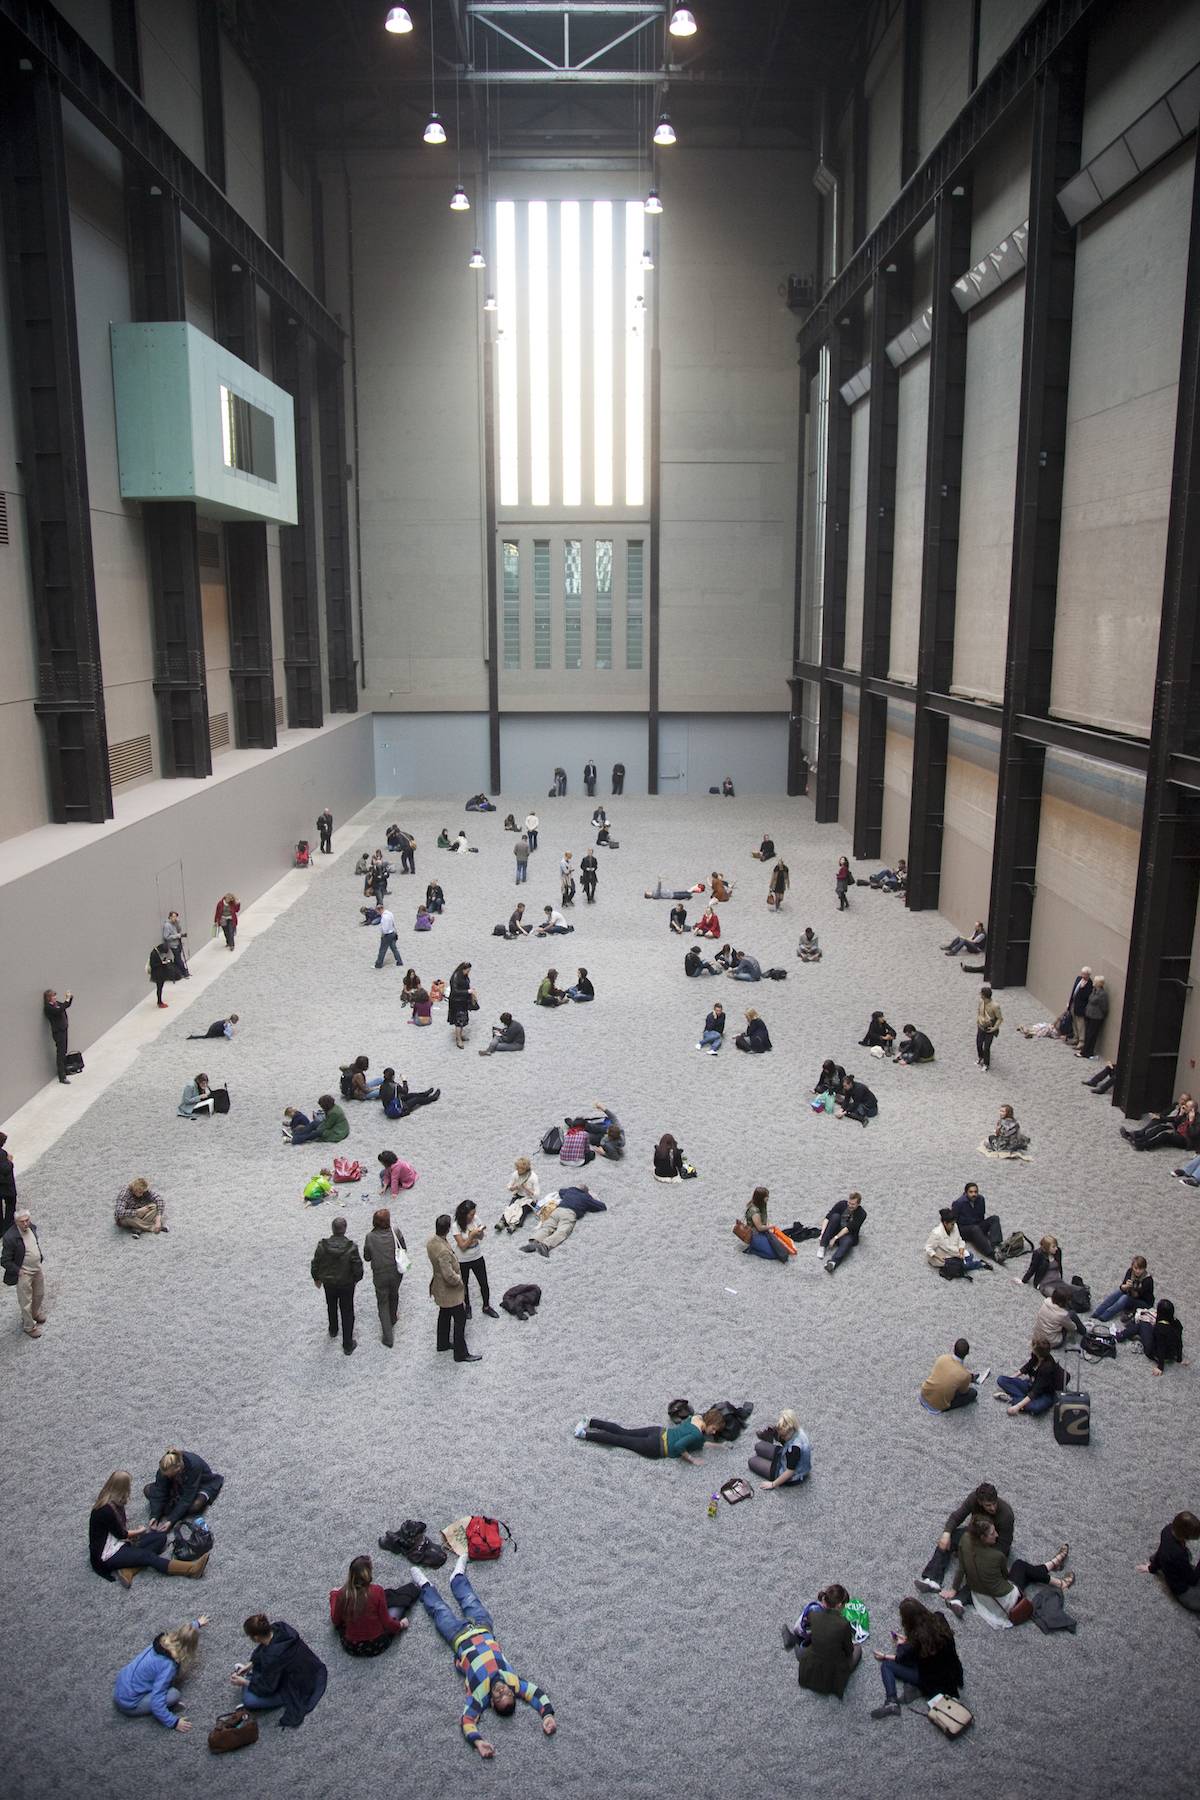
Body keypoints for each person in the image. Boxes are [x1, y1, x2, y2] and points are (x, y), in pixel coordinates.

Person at [408, 1556, 555, 1757]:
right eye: (508, 1694)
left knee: (439, 1611)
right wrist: (547, 1715)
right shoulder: (514, 1683)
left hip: (458, 1637)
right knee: (470, 1600)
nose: (502, 1690)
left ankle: (424, 1585)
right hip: (483, 1628)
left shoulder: (479, 1696)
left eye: (499, 1696)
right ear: (513, 1693)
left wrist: (477, 1741)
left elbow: (467, 1721)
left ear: (492, 1703)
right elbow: (537, 1694)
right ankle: (457, 1576)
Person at [953, 1515, 1072, 1624]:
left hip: (980, 1598)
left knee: (1025, 1572)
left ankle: (1052, 1564)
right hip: (1006, 1602)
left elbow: (961, 1568)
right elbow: (1005, 1578)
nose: (997, 1535)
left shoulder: (964, 1540)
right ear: (982, 1537)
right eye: (992, 1533)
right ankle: (1059, 1582)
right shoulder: (996, 1556)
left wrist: (954, 1588)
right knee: (1020, 1566)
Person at [90, 1471, 198, 1584]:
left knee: (161, 1538)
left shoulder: (111, 1500)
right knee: (147, 1556)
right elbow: (122, 1534)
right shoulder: (106, 1510)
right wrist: (140, 1531)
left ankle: (129, 1569)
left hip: (119, 1543)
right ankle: (191, 1569)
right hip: (107, 1555)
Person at [915, 1480, 1013, 1597]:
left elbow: (1004, 1545)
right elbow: (957, 1517)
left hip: (994, 1544)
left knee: (982, 1570)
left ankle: (961, 1598)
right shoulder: (973, 1499)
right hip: (976, 1534)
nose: (993, 1508)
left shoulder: (1006, 1515)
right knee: (949, 1539)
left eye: (994, 1503)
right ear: (980, 1502)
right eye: (988, 1505)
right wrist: (946, 1533)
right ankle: (932, 1578)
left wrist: (980, 1555)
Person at [870, 1599, 963, 1720]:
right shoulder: (939, 1617)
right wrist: (908, 1641)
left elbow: (900, 1658)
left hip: (932, 1680)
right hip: (953, 1672)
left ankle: (891, 1701)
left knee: (887, 1666)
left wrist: (888, 1653)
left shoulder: (916, 1643)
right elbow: (928, 1640)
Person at [232, 1614, 327, 1727]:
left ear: (256, 1638)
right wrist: (250, 1665)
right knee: (260, 1671)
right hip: (310, 1668)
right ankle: (251, 1676)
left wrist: (244, 1682)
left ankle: (249, 1678)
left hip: (295, 1685)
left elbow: (267, 1688)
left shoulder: (272, 1658)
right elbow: (264, 1649)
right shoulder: (280, 1627)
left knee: (249, 1700)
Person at [114, 1618, 206, 1729]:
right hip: (129, 1703)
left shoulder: (160, 1643)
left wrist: (195, 1624)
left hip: (121, 1685)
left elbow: (182, 1635)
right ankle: (166, 1709)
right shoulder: (168, 1666)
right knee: (174, 1694)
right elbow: (156, 1702)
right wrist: (174, 1722)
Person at [575, 1406, 726, 1462]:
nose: (713, 1433)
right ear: (710, 1421)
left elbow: (698, 1440)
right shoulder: (698, 1435)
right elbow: (680, 1446)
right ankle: (584, 1435)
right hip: (656, 1447)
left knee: (624, 1432)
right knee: (619, 1440)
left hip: (658, 1431)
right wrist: (692, 1459)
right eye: (714, 1429)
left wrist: (719, 1446)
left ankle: (590, 1421)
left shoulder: (696, 1417)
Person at [330, 1555, 412, 1654]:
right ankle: (416, 1587)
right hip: (377, 1644)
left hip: (351, 1646)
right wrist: (401, 1625)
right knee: (394, 1606)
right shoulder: (377, 1591)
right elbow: (387, 1623)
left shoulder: (342, 1594)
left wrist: (334, 1596)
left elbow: (335, 1620)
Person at [428, 1214, 479, 1362]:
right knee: (460, 1319)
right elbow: (448, 1275)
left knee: (444, 1314)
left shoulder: (432, 1242)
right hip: (449, 1291)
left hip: (439, 1286)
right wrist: (459, 1281)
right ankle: (460, 1353)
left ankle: (442, 1343)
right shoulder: (443, 1250)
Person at [794, 1586, 861, 1698]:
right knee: (858, 1649)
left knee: (806, 1647)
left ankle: (795, 1644)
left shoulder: (813, 1613)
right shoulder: (844, 1624)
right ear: (839, 1605)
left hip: (811, 1664)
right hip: (831, 1672)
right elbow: (849, 1651)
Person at [311, 1215, 363, 1355]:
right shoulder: (351, 1247)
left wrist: (316, 1278)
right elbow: (358, 1267)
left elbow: (315, 1263)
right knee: (347, 1312)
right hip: (346, 1284)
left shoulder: (322, 1246)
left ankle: (333, 1329)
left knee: (331, 1306)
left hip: (329, 1283)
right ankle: (347, 1344)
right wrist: (356, 1279)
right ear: (344, 1229)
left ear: (332, 1229)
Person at [143, 1448, 224, 1527]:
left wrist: (171, 1520)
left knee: (196, 1505)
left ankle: (174, 1508)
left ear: (179, 1468)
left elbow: (187, 1498)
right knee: (147, 1489)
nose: (168, 1476)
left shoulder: (194, 1465)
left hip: (198, 1485)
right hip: (177, 1486)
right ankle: (177, 1508)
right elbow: (160, 1489)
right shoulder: (165, 1466)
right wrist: (154, 1516)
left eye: (171, 1475)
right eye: (167, 1476)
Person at [363, 1207, 407, 1348]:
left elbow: (367, 1257)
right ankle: (393, 1317)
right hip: (395, 1271)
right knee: (394, 1294)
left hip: (380, 1274)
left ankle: (388, 1337)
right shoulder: (396, 1230)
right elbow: (404, 1248)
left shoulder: (370, 1237)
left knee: (382, 1303)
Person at [1139, 1513, 1200, 1612]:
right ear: (1186, 1536)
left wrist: (1151, 1567)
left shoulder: (1167, 1529)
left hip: (1173, 1563)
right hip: (1182, 1589)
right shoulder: (1179, 1555)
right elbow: (1192, 1580)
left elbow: (1160, 1551)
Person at [2, 1208, 46, 1337]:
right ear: (16, 1222)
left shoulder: (31, 1228)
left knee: (39, 1294)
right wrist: (18, 1271)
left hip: (36, 1268)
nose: (25, 1223)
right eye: (22, 1221)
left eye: (27, 1220)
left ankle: (35, 1313)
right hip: (24, 1273)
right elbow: (4, 1260)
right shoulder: (10, 1237)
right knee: (25, 1301)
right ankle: (29, 1326)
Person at [994, 1341, 1067, 1415]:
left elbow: (1036, 1391)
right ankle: (1023, 1400)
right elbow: (1028, 1366)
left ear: (1038, 1353)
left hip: (1045, 1393)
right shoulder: (1037, 1356)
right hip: (1031, 1384)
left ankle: (1012, 1399)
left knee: (1036, 1408)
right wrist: (1010, 1379)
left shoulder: (1047, 1368)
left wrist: (1017, 1407)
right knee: (1001, 1379)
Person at [1116, 1296, 1184, 1373]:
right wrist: (1179, 1358)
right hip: (1171, 1354)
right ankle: (1130, 1331)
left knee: (1142, 1324)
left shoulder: (1160, 1328)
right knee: (1146, 1327)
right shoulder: (1177, 1323)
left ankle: (1120, 1336)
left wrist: (1160, 1367)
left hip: (1155, 1353)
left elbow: (1160, 1347)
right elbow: (1179, 1341)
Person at [454, 1200, 498, 1320]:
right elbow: (462, 1246)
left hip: (477, 1255)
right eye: (471, 1214)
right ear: (464, 1214)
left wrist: (480, 1232)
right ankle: (467, 1306)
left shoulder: (476, 1219)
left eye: (474, 1213)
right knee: (465, 1284)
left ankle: (486, 1306)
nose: (473, 1216)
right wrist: (472, 1235)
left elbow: (481, 1238)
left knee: (484, 1282)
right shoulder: (456, 1226)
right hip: (463, 1259)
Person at [1120, 1093, 1200, 1152]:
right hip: (1177, 1132)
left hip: (1186, 1140)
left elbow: (1193, 1134)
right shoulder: (1184, 1113)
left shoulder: (1197, 1118)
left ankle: (1143, 1146)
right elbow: (1176, 1123)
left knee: (1164, 1136)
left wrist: (1191, 1121)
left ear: (1193, 1109)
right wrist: (1180, 1115)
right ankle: (1139, 1140)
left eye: (1187, 1106)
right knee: (1158, 1128)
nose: (1184, 1107)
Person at [752, 1410, 811, 1489]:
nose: (781, 1437)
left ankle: (774, 1471)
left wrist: (773, 1484)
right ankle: (772, 1435)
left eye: (783, 1436)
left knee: (752, 1461)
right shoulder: (797, 1430)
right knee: (758, 1446)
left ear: (790, 1431)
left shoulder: (794, 1449)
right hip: (784, 1454)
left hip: (790, 1474)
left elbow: (790, 1471)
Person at [920, 1339, 984, 1411]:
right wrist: (966, 1380)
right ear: (967, 1353)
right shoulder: (965, 1375)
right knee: (973, 1393)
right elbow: (963, 1392)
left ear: (953, 1348)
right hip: (938, 1405)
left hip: (924, 1393)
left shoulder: (942, 1358)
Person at [1091, 1255, 1154, 1323]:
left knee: (1124, 1298)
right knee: (1117, 1293)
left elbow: (1136, 1295)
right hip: (1131, 1294)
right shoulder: (1130, 1271)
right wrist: (1126, 1286)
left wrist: (1131, 1287)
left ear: (1144, 1269)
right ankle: (1097, 1312)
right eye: (1136, 1268)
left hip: (1144, 1302)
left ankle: (1105, 1316)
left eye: (1140, 1269)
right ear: (1132, 1267)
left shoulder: (1148, 1280)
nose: (1137, 1271)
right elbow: (1122, 1287)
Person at [951, 1182, 1002, 1262]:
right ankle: (991, 1254)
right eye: (971, 1192)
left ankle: (996, 1245)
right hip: (964, 1229)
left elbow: (982, 1215)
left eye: (975, 1192)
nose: (973, 1194)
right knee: (975, 1229)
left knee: (994, 1218)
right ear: (966, 1193)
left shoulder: (981, 1199)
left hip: (977, 1225)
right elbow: (953, 1220)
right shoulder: (959, 1203)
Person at [925, 1209, 986, 1275]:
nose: (954, 1226)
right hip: (942, 1257)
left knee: (970, 1255)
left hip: (954, 1252)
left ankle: (967, 1263)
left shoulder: (955, 1226)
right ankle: (980, 1264)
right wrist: (937, 1256)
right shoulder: (936, 1233)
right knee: (964, 1265)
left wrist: (961, 1250)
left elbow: (959, 1239)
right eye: (952, 1224)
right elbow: (928, 1248)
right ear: (945, 1223)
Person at [819, 1192, 867, 1273]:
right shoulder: (841, 1204)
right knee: (835, 1216)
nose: (850, 1205)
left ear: (858, 1204)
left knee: (847, 1242)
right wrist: (822, 1234)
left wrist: (835, 1238)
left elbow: (848, 1228)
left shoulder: (862, 1214)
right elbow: (827, 1218)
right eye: (849, 1202)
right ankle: (822, 1246)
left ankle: (832, 1262)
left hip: (848, 1234)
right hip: (836, 1229)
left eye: (853, 1204)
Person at [1031, 1284, 1084, 1352]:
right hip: (1052, 1342)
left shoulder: (1046, 1302)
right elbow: (1072, 1327)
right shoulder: (1062, 1315)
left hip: (1038, 1337)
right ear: (1064, 1302)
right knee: (1072, 1315)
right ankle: (1081, 1334)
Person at [497, 1158, 540, 1233]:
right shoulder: (515, 1174)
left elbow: (537, 1194)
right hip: (518, 1195)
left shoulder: (533, 1177)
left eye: (519, 1169)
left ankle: (514, 1225)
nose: (517, 1170)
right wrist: (515, 1187)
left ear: (524, 1169)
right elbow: (509, 1186)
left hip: (529, 1198)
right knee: (510, 1208)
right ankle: (502, 1222)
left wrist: (526, 1188)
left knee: (522, 1210)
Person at [43, 988, 72, 1082]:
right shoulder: (48, 1007)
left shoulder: (57, 1004)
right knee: (60, 1053)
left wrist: (70, 998)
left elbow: (65, 1006)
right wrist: (67, 1000)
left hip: (63, 1030)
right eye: (53, 996)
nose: (55, 998)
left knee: (64, 1052)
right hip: (58, 1032)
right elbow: (58, 1011)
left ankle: (65, 1070)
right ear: (48, 998)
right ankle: (62, 1077)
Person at [1079, 975, 1109, 1058]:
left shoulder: (1102, 994)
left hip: (1096, 1017)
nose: (1094, 983)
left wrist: (1100, 1014)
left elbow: (1104, 1007)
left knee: (1092, 1035)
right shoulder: (1094, 991)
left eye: (1095, 982)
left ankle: (1088, 1052)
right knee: (1088, 1034)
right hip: (1089, 1015)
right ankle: (1085, 1051)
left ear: (1099, 983)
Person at [449, 962, 475, 1049]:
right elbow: (455, 991)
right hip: (457, 1002)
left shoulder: (463, 976)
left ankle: (460, 1035)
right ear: (463, 969)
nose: (468, 972)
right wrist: (467, 992)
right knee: (459, 1021)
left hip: (463, 1001)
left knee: (462, 1020)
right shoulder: (455, 977)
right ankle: (458, 1039)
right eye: (467, 970)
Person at [975, 985, 1002, 1069]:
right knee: (979, 1044)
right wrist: (979, 1020)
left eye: (981, 994)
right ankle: (981, 1057)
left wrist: (995, 1028)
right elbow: (979, 1012)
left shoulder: (995, 1006)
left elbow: (999, 1018)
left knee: (986, 1047)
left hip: (989, 1028)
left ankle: (986, 1064)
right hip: (981, 1026)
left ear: (984, 995)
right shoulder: (981, 1002)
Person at [1068, 966, 1094, 1050]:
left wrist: (1082, 988)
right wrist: (1070, 1002)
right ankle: (1076, 1037)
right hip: (1074, 1003)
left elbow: (1086, 997)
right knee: (1074, 1021)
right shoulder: (1078, 979)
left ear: (1088, 975)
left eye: (1085, 974)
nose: (1083, 975)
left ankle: (1081, 1041)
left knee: (1080, 1024)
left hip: (1081, 1007)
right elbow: (1073, 991)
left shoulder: (1089, 984)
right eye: (1082, 973)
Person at [161, 911, 189, 978]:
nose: (175, 918)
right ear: (170, 917)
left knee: (177, 959)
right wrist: (177, 936)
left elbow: (179, 930)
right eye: (173, 917)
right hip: (173, 945)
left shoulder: (175, 923)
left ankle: (178, 972)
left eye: (176, 917)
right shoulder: (167, 925)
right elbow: (166, 937)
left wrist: (178, 923)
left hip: (178, 943)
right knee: (179, 959)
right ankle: (184, 972)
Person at [0, 1131, 16, 1236]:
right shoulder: (2, 1154)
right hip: (5, 1186)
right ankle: (7, 1227)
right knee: (11, 1204)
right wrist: (10, 1161)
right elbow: (5, 1169)